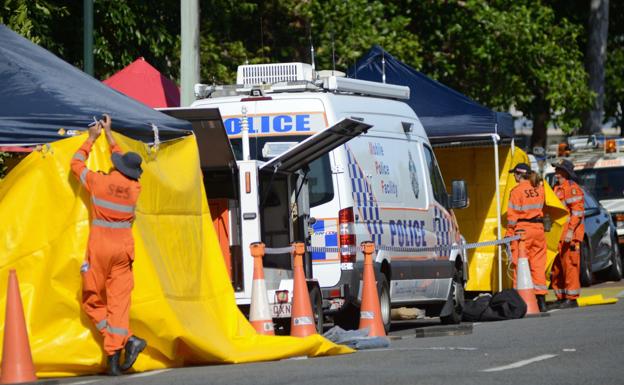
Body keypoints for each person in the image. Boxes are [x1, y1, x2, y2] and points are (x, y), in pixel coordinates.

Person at [70, 114, 147, 375]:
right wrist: (112, 136)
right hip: (124, 249)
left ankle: (125, 343)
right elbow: (124, 159)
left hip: (100, 246)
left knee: (92, 300)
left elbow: (76, 163)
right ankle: (116, 356)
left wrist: (92, 139)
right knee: (119, 305)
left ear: (116, 166)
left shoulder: (99, 182)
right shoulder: (135, 189)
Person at [506, 163, 548, 312]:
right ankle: (541, 301)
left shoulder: (516, 191)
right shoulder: (538, 187)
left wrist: (508, 234)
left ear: (518, 174)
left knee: (520, 265)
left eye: (514, 174)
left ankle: (521, 301)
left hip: (523, 232)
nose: (513, 177)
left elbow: (512, 218)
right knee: (538, 266)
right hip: (538, 230)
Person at [550, 159, 584, 309]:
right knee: (557, 268)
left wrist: (570, 231)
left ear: (565, 172)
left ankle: (571, 298)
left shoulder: (572, 189)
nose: (556, 173)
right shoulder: (556, 188)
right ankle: (561, 296)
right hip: (558, 234)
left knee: (570, 266)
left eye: (558, 170)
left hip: (569, 235)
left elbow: (577, 213)